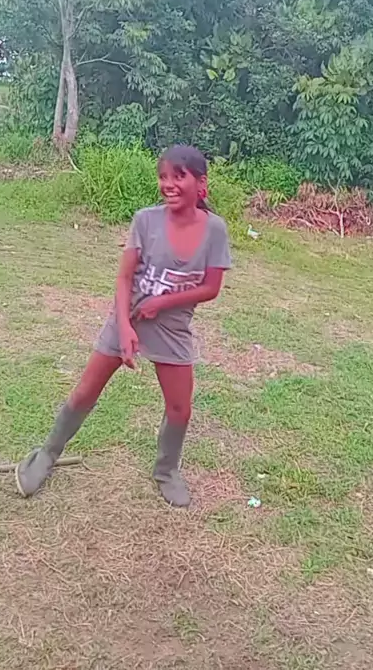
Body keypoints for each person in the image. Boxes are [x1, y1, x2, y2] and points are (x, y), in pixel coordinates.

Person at [15, 145, 231, 507]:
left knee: (180, 408)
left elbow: (211, 288)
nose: (168, 184)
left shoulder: (214, 229)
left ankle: (166, 471)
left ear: (201, 183)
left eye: (179, 176)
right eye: (163, 177)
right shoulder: (146, 220)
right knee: (85, 392)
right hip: (127, 317)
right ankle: (47, 454)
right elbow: (124, 277)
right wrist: (125, 327)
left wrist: (162, 302)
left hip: (172, 326)